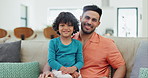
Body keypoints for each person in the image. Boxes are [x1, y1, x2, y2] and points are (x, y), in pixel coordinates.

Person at [39, 5, 126, 78]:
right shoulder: (68, 39)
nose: (89, 22)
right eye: (87, 18)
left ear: (98, 24)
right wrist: (46, 71)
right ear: (81, 18)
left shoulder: (107, 44)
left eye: (94, 20)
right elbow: (52, 60)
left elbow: (121, 67)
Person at [46, 12, 84, 78]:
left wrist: (73, 69)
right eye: (62, 25)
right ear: (57, 27)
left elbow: (80, 62)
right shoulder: (53, 42)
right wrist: (64, 70)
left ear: (74, 28)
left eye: (69, 25)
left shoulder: (78, 44)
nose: (66, 28)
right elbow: (51, 60)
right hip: (58, 70)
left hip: (73, 70)